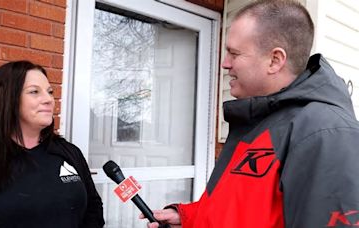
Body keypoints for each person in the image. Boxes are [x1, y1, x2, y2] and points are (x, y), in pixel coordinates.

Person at [142, 0, 359, 227]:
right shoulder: (260, 120)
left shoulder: (326, 134)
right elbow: (242, 208)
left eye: (234, 53)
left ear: (275, 60)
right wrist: (188, 217)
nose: (225, 64)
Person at [0, 61, 105, 228]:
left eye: (50, 92)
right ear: (7, 98)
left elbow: (93, 207)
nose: (49, 99)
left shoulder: (69, 152)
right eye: (35, 92)